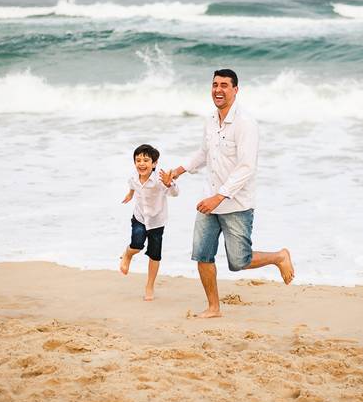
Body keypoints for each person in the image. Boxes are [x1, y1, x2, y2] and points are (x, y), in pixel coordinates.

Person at [170, 69, 294, 318]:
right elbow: (204, 153)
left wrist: (219, 197)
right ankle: (213, 307)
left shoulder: (246, 123)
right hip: (209, 200)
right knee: (202, 255)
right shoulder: (210, 120)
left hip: (236, 203)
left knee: (239, 262)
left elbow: (247, 167)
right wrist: (179, 170)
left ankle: (279, 257)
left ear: (235, 90)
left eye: (224, 85)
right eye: (215, 84)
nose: (218, 90)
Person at [120, 144, 178, 301]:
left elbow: (175, 193)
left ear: (154, 163)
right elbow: (132, 185)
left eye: (146, 160)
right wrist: (130, 194)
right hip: (139, 217)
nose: (141, 163)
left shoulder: (160, 180)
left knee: (155, 255)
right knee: (136, 245)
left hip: (157, 221)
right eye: (138, 160)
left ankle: (150, 285)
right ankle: (127, 255)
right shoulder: (134, 177)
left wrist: (169, 184)